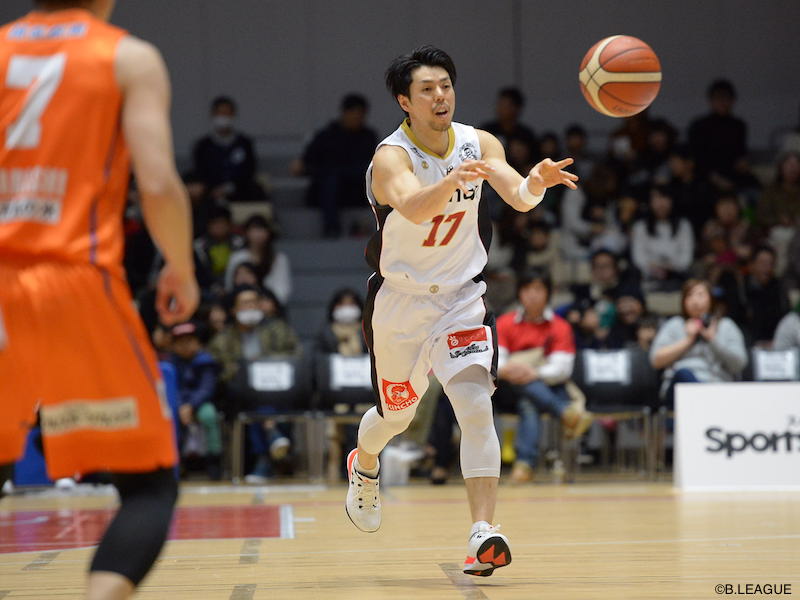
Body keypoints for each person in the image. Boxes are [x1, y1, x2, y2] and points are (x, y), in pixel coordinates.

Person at [344, 45, 579, 577]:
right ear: (405, 101)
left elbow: (518, 196)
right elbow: (412, 207)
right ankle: (365, 461)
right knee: (397, 416)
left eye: (445, 85)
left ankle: (481, 533)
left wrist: (535, 182)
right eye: (426, 89)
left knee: (475, 406)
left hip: (461, 299)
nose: (440, 96)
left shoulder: (479, 141)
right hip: (400, 303)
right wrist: (450, 181)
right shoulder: (391, 157)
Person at [0, 2, 199, 599]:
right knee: (148, 486)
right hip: (72, 282)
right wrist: (181, 267)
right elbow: (156, 184)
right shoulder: (127, 58)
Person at [495, 269, 592, 483]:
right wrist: (512, 370)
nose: (532, 294)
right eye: (527, 289)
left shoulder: (560, 326)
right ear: (519, 293)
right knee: (524, 389)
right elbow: (496, 362)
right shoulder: (504, 323)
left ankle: (524, 466)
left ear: (548, 293)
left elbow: (562, 369)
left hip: (543, 387)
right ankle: (565, 412)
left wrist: (534, 372)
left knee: (528, 402)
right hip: (506, 389)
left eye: (538, 289)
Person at [650, 279, 747, 408]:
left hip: (718, 390)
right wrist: (688, 340)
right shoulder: (674, 325)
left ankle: (704, 402)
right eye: (689, 295)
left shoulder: (726, 326)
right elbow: (656, 360)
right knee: (683, 374)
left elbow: (739, 364)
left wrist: (713, 340)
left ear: (711, 299)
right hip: (679, 393)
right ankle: (705, 402)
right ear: (683, 301)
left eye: (700, 295)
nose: (695, 301)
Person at [292, 93, 378, 237]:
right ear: (345, 113)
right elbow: (304, 163)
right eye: (354, 114)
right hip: (328, 191)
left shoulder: (368, 137)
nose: (357, 119)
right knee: (330, 179)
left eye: (360, 115)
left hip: (357, 189)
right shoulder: (326, 135)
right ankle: (331, 228)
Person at [167, 322, 222, 479]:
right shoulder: (170, 363)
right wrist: (180, 405)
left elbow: (207, 389)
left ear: (198, 343)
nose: (185, 345)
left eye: (189, 341)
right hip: (176, 403)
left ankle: (213, 459)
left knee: (209, 416)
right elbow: (170, 387)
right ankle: (176, 461)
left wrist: (191, 405)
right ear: (173, 345)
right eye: (180, 342)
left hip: (201, 403)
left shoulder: (206, 361)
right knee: (169, 418)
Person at [191, 96, 267, 202]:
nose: (223, 117)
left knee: (256, 192)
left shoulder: (244, 143)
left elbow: (249, 171)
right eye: (220, 113)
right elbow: (200, 172)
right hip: (210, 193)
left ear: (233, 115)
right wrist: (212, 188)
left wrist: (229, 188)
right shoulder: (203, 146)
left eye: (226, 113)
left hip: (240, 191)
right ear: (213, 115)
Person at [631, 185, 695, 291]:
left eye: (664, 198)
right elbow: (638, 257)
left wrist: (670, 267)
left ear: (672, 201)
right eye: (656, 198)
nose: (661, 203)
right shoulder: (640, 226)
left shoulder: (684, 225)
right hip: (648, 275)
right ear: (650, 202)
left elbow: (686, 257)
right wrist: (653, 268)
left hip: (677, 274)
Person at [224, 214, 292, 304]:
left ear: (268, 233)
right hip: (241, 303)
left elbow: (283, 288)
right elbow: (230, 285)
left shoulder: (279, 259)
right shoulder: (237, 257)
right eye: (254, 230)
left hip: (270, 304)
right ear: (246, 233)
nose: (258, 234)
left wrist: (271, 303)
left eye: (261, 230)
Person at [480, 87, 537, 156]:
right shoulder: (487, 131)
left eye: (505, 105)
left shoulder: (526, 135)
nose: (500, 109)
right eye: (499, 104)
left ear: (516, 108)